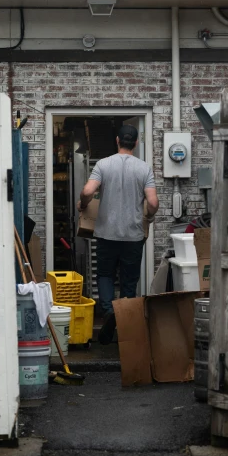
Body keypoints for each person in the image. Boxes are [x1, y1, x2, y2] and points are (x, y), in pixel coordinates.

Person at [78, 124, 159, 345]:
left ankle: (107, 312)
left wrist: (83, 204)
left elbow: (87, 191)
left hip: (106, 234)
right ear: (135, 143)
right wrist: (149, 217)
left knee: (104, 275)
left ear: (117, 141)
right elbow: (152, 203)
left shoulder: (103, 165)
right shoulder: (144, 168)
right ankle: (124, 323)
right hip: (133, 237)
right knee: (129, 280)